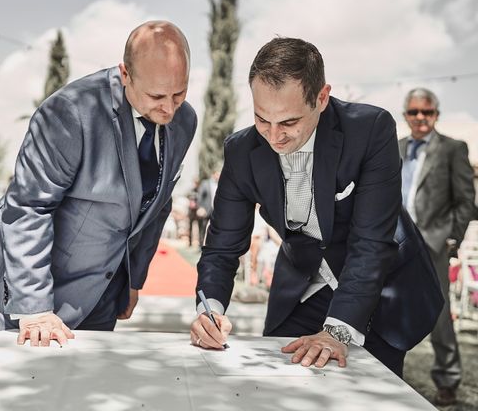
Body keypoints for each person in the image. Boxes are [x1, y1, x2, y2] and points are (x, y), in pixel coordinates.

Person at [190, 37, 444, 377]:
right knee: (275, 381)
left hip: (379, 285)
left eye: (289, 122)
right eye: (262, 119)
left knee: (364, 389)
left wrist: (337, 332)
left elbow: (370, 242)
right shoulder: (241, 152)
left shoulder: (369, 130)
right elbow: (222, 245)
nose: (274, 137)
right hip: (302, 285)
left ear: (321, 98)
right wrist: (210, 309)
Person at [0, 20, 197, 345]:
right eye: (156, 95)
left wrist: (133, 281)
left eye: (179, 93)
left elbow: (158, 203)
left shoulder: (185, 121)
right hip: (37, 279)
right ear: (125, 74)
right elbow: (29, 207)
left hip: (105, 286)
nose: (169, 108)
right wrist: (36, 306)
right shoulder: (71, 111)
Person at [399, 88, 477, 406]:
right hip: (396, 242)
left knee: (440, 315)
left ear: (436, 115)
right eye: (414, 112)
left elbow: (465, 200)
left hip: (434, 245)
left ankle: (447, 379)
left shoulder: (452, 149)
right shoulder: (396, 147)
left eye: (427, 112)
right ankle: (389, 371)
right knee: (387, 309)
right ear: (405, 115)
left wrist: (452, 238)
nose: (420, 118)